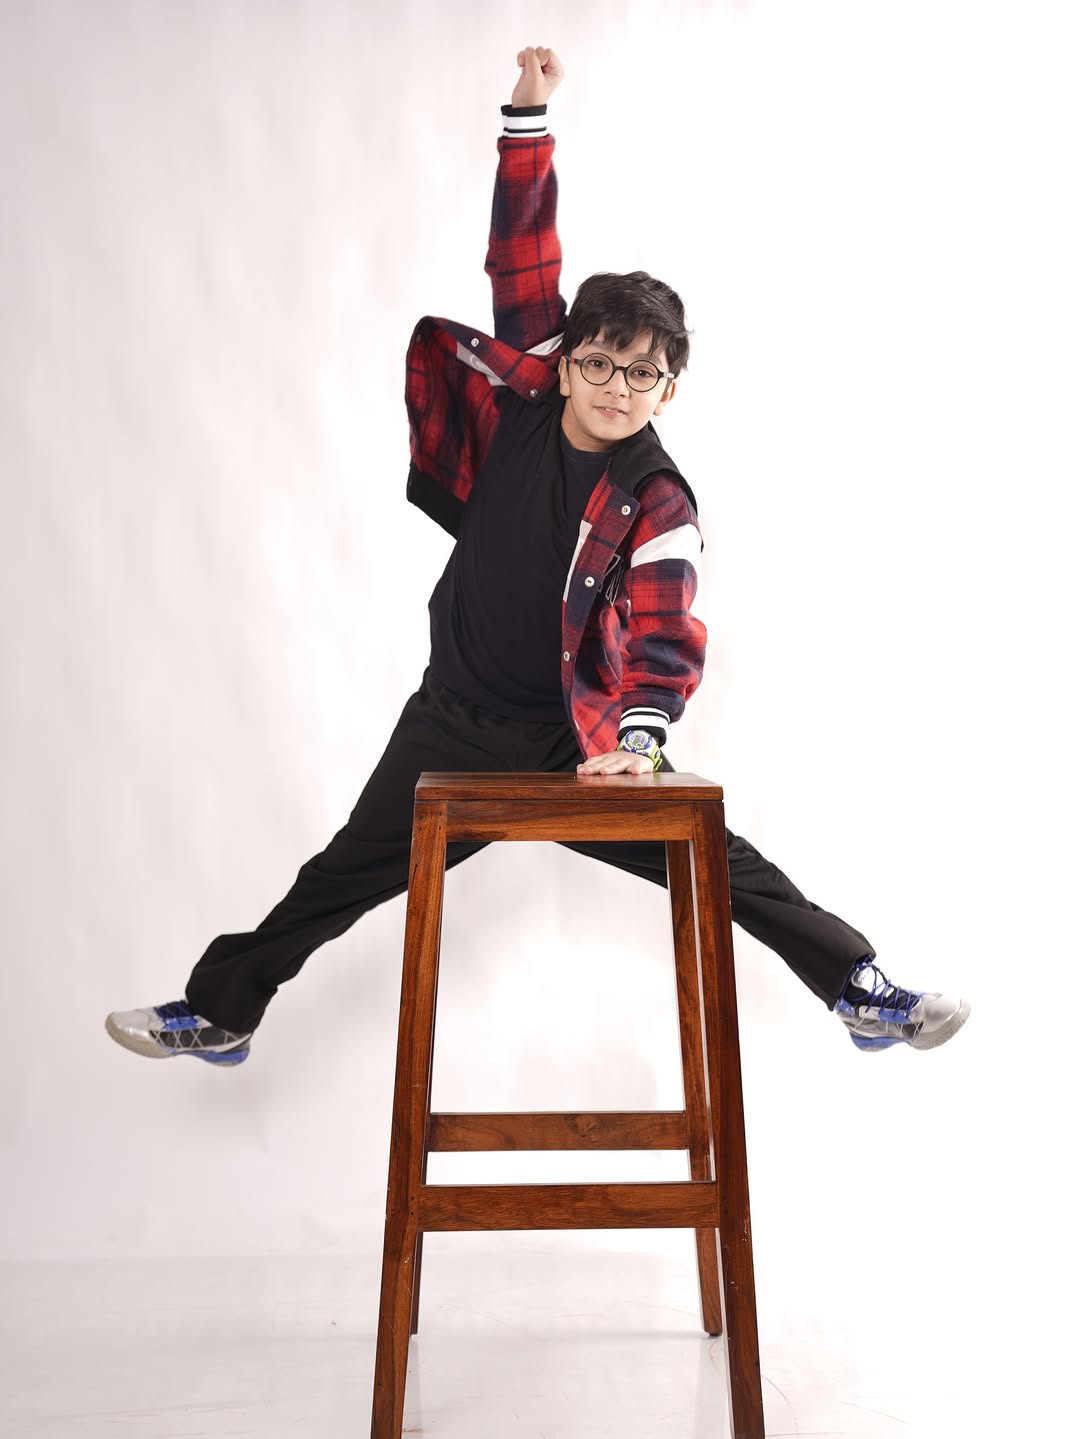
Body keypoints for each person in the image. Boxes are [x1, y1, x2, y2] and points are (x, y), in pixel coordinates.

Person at [106, 46, 968, 1068]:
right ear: (566, 362)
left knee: (715, 858)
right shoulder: (527, 397)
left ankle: (859, 989)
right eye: (598, 361)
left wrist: (639, 739)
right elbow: (520, 258)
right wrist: (527, 117)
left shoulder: (657, 495)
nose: (614, 386)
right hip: (452, 722)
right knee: (340, 874)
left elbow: (665, 630)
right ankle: (224, 1012)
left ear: (668, 390)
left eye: (641, 374)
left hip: (574, 741)